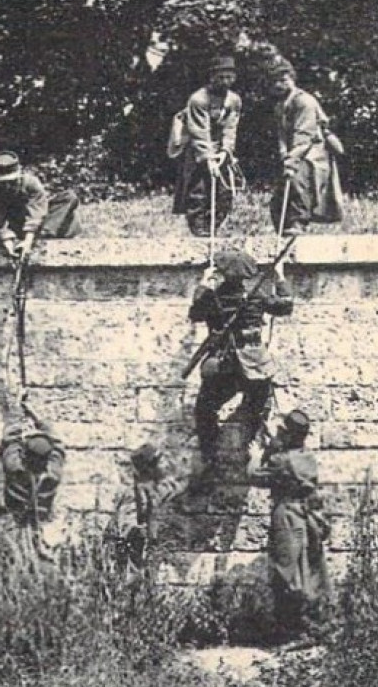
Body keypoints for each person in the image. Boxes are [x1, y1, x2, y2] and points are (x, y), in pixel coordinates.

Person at [189, 247, 294, 469]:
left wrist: (204, 283)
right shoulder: (256, 296)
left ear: (222, 272)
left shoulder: (212, 296)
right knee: (259, 405)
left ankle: (210, 454)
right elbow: (286, 305)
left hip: (223, 364)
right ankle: (251, 443)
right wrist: (281, 279)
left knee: (204, 409)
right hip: (254, 362)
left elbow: (195, 313)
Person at [246, 410, 331, 642]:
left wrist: (256, 455)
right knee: (308, 569)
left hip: (287, 516)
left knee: (286, 571)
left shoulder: (281, 461)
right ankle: (313, 625)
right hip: (306, 516)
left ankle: (293, 631)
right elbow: (288, 466)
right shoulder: (305, 457)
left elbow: (254, 476)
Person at [268, 59, 343, 233]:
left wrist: (292, 160)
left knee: (297, 183)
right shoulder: (280, 105)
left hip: (311, 152)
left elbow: (304, 136)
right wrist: (284, 155)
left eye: (283, 80)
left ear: (292, 79)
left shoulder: (304, 102)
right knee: (279, 195)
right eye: (275, 81)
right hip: (293, 151)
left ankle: (298, 223)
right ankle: (282, 228)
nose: (279, 85)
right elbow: (281, 135)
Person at [172, 56, 243, 239]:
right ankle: (200, 234)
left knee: (224, 194)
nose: (225, 82)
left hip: (220, 151)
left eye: (229, 77)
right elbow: (199, 130)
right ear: (212, 77)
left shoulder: (234, 100)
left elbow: (230, 128)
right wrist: (208, 158)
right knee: (198, 193)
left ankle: (213, 230)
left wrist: (226, 151)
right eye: (221, 77)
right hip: (198, 150)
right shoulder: (198, 99)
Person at [0, 151, 82, 259]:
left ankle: (42, 234)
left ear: (19, 174)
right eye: (4, 182)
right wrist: (8, 244)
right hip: (15, 223)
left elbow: (37, 212)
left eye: (12, 181)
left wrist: (28, 242)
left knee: (69, 197)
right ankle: (29, 236)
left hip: (37, 221)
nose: (8, 184)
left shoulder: (31, 183)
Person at [0, 411, 66, 553]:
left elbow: (10, 441)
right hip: (42, 531)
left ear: (25, 456)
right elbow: (58, 444)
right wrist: (36, 416)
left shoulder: (15, 470)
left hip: (14, 529)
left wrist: (18, 415)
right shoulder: (53, 476)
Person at [106, 443, 185, 573]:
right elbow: (127, 525)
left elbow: (172, 488)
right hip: (135, 559)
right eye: (161, 461)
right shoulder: (134, 493)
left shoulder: (155, 488)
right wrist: (138, 531)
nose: (165, 464)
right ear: (150, 469)